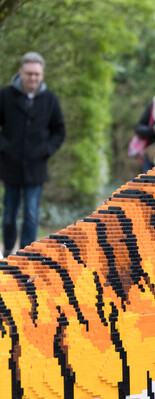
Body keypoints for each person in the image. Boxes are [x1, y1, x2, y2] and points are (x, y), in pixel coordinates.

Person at [0, 52, 65, 255]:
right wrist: (4, 146)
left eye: (37, 74)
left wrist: (46, 150)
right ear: (21, 73)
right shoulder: (5, 96)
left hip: (36, 167)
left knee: (30, 213)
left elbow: (59, 130)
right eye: (29, 73)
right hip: (9, 166)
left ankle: (25, 256)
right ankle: (8, 249)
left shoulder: (50, 99)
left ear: (42, 75)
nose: (33, 78)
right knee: (9, 213)